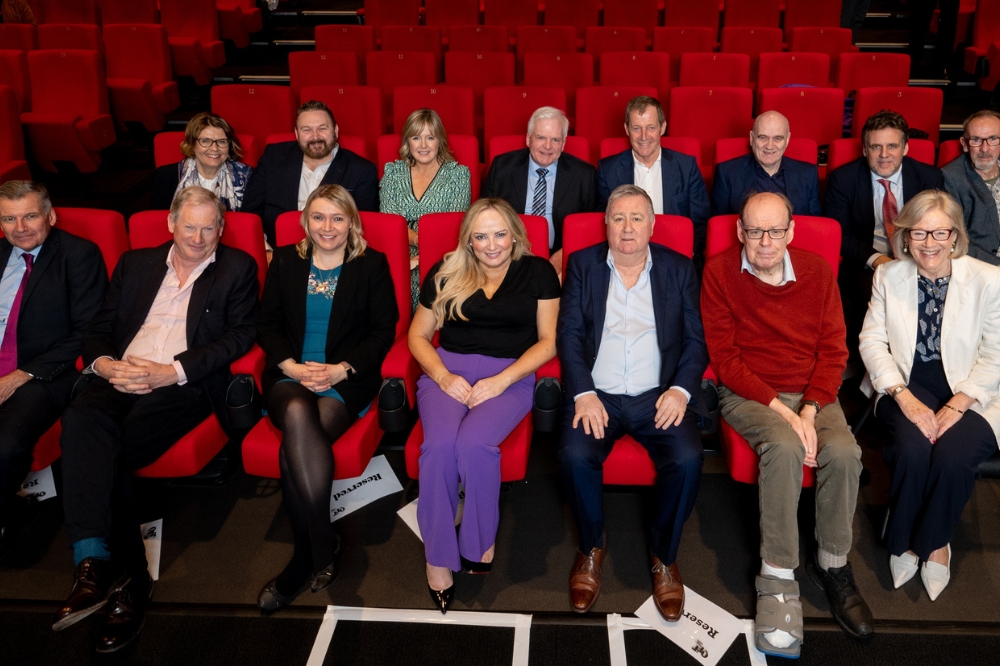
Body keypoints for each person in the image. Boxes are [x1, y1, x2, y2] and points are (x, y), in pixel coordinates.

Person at [53, 187, 258, 653]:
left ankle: (118, 578)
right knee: (80, 420)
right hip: (118, 375)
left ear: (221, 229)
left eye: (210, 228)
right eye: (190, 226)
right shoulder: (135, 264)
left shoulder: (236, 269)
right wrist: (104, 364)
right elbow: (99, 327)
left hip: (180, 387)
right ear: (171, 224)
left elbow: (240, 336)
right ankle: (97, 567)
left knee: (108, 454)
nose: (199, 237)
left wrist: (173, 371)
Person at [701, 192, 873, 657]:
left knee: (843, 452)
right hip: (750, 392)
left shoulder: (817, 271)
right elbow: (725, 359)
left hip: (812, 392)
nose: (765, 241)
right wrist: (785, 412)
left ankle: (832, 564)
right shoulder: (719, 272)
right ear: (740, 231)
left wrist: (811, 410)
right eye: (755, 230)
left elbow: (835, 350)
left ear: (791, 232)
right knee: (784, 446)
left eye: (775, 230)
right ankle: (777, 577)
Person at [558, 184, 706, 622]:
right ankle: (590, 546)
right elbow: (567, 334)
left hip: (655, 395)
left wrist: (680, 390)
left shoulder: (678, 269)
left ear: (652, 225)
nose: (627, 227)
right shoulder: (583, 265)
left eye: (637, 218)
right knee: (572, 455)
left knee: (688, 458)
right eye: (618, 218)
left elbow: (697, 341)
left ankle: (664, 555)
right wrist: (583, 392)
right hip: (596, 393)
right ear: (605, 223)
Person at [409, 198, 559, 613]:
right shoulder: (447, 270)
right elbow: (417, 335)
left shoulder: (539, 272)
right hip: (448, 371)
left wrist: (501, 381)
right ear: (469, 241)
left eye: (499, 234)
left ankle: (478, 538)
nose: (491, 245)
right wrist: (442, 376)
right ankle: (438, 557)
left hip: (510, 375)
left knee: (474, 446)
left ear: (514, 234)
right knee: (438, 449)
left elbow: (549, 341)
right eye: (480, 236)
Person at [256, 184, 398, 613]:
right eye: (318, 217)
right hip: (290, 372)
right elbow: (268, 324)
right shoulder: (285, 260)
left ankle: (307, 554)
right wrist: (292, 367)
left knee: (294, 444)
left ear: (352, 221)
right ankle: (320, 542)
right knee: (298, 411)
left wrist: (340, 369)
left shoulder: (371, 264)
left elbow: (383, 330)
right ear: (305, 221)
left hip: (344, 377)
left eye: (338, 218)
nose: (327, 227)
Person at [859, 189, 1000, 602]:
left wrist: (959, 404)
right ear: (905, 236)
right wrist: (903, 396)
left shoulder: (988, 279)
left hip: (972, 389)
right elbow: (871, 341)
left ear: (955, 236)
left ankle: (937, 541)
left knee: (953, 458)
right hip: (905, 382)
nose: (929, 244)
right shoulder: (889, 275)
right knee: (913, 449)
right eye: (919, 233)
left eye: (940, 233)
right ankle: (901, 538)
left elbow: (995, 355)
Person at [0, 181, 106, 548]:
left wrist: (20, 375)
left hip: (45, 373)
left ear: (51, 215)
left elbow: (88, 331)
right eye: (9, 219)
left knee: (6, 444)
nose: (20, 227)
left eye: (30, 215)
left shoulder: (79, 256)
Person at [825, 110, 943, 360]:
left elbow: (939, 225)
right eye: (876, 146)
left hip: (920, 257)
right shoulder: (843, 179)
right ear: (865, 150)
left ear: (906, 148)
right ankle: (877, 366)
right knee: (877, 300)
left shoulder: (929, 177)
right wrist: (880, 261)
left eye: (892, 145)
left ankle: (923, 360)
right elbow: (841, 235)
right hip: (867, 262)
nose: (884, 154)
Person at [482, 106, 598, 279]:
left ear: (564, 143)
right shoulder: (502, 168)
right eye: (541, 138)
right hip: (508, 255)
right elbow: (482, 216)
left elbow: (592, 226)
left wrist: (567, 251)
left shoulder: (584, 175)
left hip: (558, 259)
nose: (548, 146)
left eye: (555, 140)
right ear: (528, 139)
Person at [243, 100, 379, 243]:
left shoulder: (361, 170)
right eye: (306, 130)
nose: (315, 137)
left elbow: (362, 228)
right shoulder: (273, 158)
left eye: (322, 128)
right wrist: (265, 250)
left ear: (335, 131)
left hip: (336, 255)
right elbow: (251, 213)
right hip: (276, 252)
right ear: (296, 133)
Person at [379, 108, 471, 311]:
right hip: (398, 252)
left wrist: (422, 257)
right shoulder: (393, 172)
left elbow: (452, 229)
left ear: (440, 141)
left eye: (430, 137)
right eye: (415, 137)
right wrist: (414, 245)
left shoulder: (458, 176)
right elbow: (390, 224)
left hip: (443, 256)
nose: (423, 145)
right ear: (407, 141)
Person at [596, 96, 710, 257]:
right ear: (627, 129)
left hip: (676, 255)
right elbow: (605, 224)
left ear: (662, 128)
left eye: (650, 127)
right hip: (627, 256)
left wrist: (686, 254)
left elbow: (700, 223)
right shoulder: (607, 170)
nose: (644, 136)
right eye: (636, 128)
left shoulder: (687, 167)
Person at [711, 110, 822, 217]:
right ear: (751, 138)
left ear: (787, 140)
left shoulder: (808, 174)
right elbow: (719, 226)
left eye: (777, 138)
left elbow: (814, 225)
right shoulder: (727, 173)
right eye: (762, 137)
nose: (769, 146)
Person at [150, 112, 253, 213]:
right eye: (205, 141)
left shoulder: (248, 177)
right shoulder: (165, 176)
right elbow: (158, 222)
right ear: (192, 144)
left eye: (221, 141)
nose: (214, 148)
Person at [942, 110, 1000, 266]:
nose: (985, 149)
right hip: (983, 264)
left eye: (993, 139)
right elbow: (954, 240)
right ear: (964, 144)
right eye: (976, 140)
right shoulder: (951, 178)